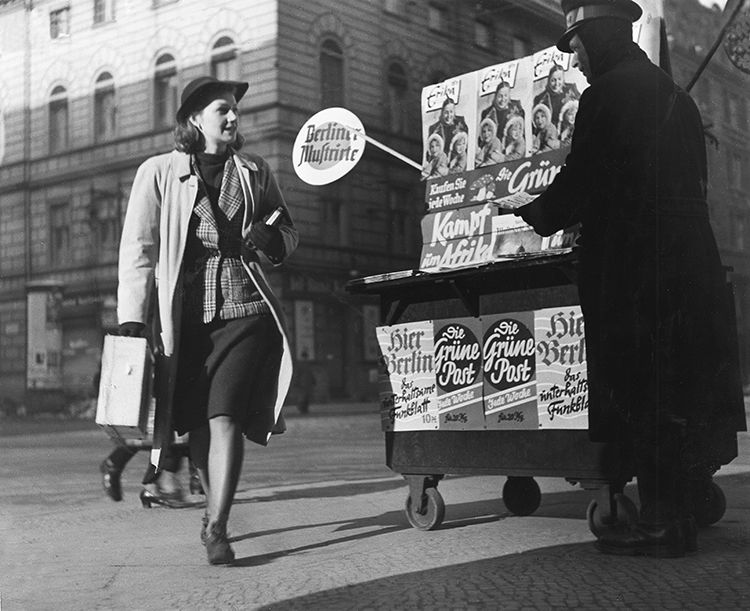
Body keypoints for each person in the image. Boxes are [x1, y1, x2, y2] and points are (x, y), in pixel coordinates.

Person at [515, 0, 745, 558]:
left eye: (576, 49)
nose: (575, 64)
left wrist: (532, 214)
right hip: (689, 263)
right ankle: (681, 509)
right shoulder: (676, 98)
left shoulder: (605, 96)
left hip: (636, 269)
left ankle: (663, 524)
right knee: (678, 386)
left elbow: (583, 181)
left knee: (643, 392)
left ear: (598, 37)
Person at [117, 76, 298, 565]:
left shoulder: (256, 170)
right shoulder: (158, 172)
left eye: (236, 109)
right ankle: (210, 510)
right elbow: (138, 247)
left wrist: (269, 237)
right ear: (195, 118)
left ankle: (218, 525)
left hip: (246, 311)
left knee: (225, 418)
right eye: (223, 108)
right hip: (188, 318)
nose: (233, 117)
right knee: (197, 422)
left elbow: (287, 231)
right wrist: (132, 318)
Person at [533, 63, 581, 131]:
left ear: (563, 79)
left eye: (559, 79)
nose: (556, 84)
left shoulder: (571, 90)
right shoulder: (541, 98)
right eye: (553, 80)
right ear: (549, 80)